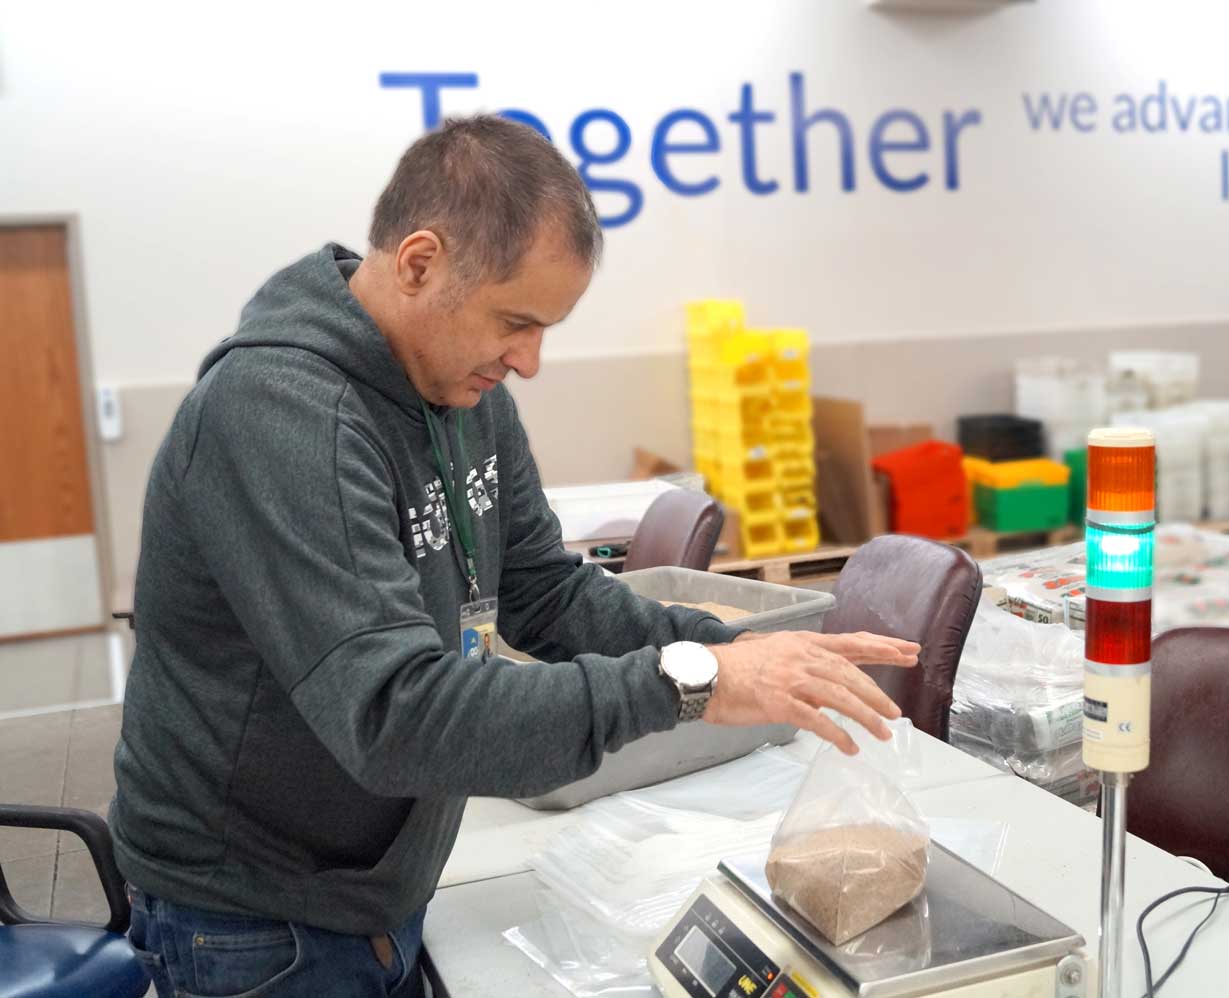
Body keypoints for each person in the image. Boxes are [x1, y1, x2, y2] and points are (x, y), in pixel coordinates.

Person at [111, 114, 919, 997]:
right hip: (255, 914)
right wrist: (689, 683)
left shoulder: (457, 387)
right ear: (419, 263)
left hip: (376, 873)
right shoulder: (279, 413)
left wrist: (728, 650)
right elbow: (393, 713)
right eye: (516, 321)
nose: (530, 361)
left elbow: (542, 591)